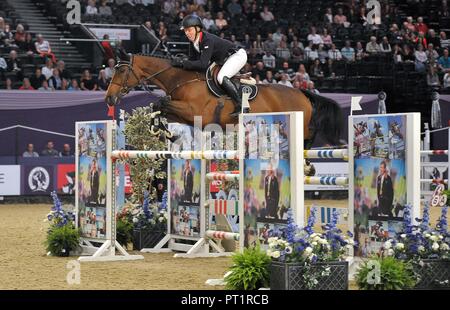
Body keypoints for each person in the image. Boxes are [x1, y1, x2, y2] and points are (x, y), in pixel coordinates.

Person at [172, 15, 247, 116]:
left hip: (237, 55)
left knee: (221, 77)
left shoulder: (207, 40)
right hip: (222, 60)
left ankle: (241, 105)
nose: (187, 33)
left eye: (189, 30)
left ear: (197, 29)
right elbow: (192, 61)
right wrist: (181, 62)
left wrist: (182, 63)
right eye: (185, 31)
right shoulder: (193, 43)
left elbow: (202, 64)